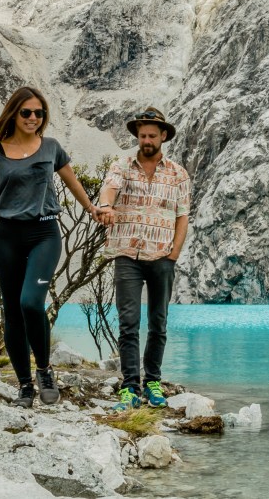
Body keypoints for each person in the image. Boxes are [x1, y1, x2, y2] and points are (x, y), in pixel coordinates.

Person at [0, 86, 101, 408]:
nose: (33, 118)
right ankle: (24, 386)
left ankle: (44, 370)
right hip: (8, 237)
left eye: (39, 112)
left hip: (44, 234)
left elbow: (73, 182)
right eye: (26, 112)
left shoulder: (51, 147)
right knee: (12, 312)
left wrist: (93, 210)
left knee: (30, 302)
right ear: (13, 113)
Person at [97, 107, 190, 411]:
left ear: (163, 136)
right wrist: (106, 206)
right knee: (128, 323)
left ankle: (153, 382)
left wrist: (174, 252)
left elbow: (183, 216)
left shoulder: (178, 174)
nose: (147, 140)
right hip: (128, 255)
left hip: (162, 256)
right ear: (137, 136)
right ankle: (128, 387)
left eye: (152, 135)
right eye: (142, 135)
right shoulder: (122, 166)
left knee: (158, 323)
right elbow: (109, 190)